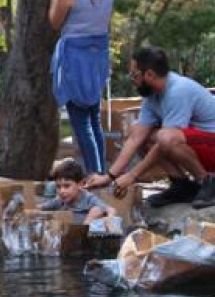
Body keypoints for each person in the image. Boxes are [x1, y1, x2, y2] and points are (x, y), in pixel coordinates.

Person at [86, 46, 215, 209]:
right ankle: (182, 186)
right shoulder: (152, 96)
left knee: (165, 137)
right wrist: (109, 177)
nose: (132, 79)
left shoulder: (177, 91)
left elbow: (164, 143)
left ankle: (208, 183)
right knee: (138, 131)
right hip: (202, 147)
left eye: (134, 75)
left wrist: (132, 175)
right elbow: (136, 138)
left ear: (149, 75)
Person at [37, 0, 114, 175]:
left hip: (75, 57)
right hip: (98, 54)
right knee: (93, 120)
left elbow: (55, 22)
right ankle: (101, 172)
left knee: (80, 122)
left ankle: (94, 174)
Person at [40, 158, 115, 224]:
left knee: (97, 210)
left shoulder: (88, 198)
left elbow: (110, 210)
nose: (61, 191)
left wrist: (108, 218)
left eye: (67, 186)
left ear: (80, 184)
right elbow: (42, 207)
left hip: (86, 233)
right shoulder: (60, 200)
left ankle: (83, 230)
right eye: (58, 187)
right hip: (69, 233)